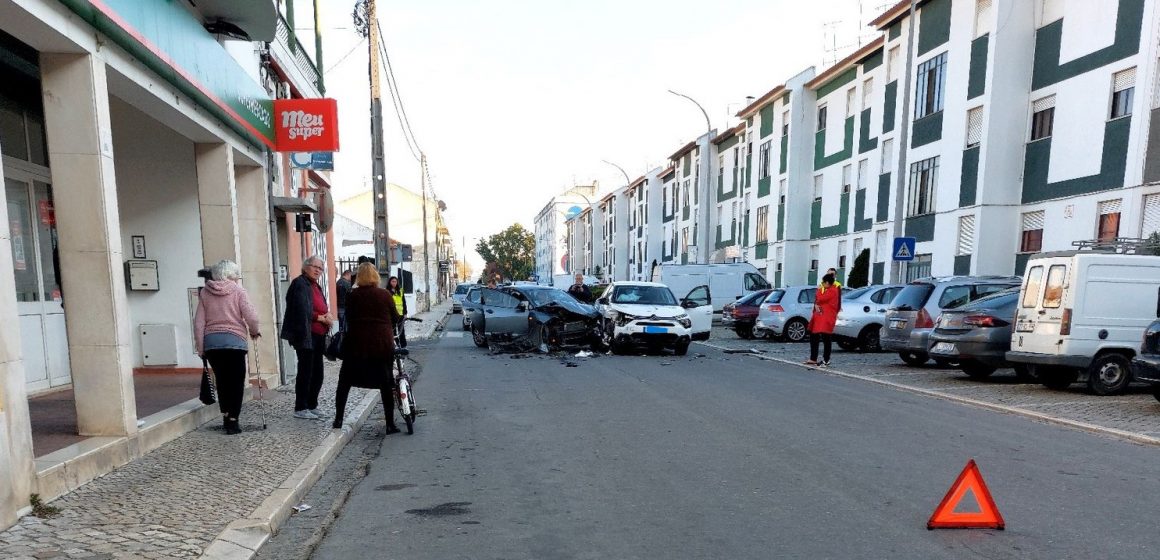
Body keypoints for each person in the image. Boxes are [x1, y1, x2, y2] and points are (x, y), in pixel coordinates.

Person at [332, 263, 403, 433]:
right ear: (376, 276)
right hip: (381, 345)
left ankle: (338, 419)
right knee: (386, 384)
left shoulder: (352, 296)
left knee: (344, 383)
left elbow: (348, 317)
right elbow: (395, 317)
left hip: (356, 345)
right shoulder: (384, 295)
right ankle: (390, 424)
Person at [194, 260, 261, 435]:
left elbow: (199, 323)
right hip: (234, 342)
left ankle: (225, 415)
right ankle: (233, 420)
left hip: (213, 343)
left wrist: (201, 348)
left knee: (223, 382)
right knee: (236, 382)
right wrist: (255, 331)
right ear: (230, 275)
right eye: (236, 276)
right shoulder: (238, 291)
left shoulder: (205, 294)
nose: (238, 279)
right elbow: (251, 316)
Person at [280, 256, 333, 419]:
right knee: (306, 372)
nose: (318, 270)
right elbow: (301, 309)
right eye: (314, 267)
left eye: (320, 268)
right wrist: (321, 318)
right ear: (305, 267)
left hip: (318, 335)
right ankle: (301, 407)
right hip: (305, 335)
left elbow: (318, 305)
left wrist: (328, 315)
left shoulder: (314, 285)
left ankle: (312, 404)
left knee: (318, 372)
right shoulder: (300, 284)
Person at [805, 273, 841, 367]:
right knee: (814, 336)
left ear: (827, 283)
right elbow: (818, 299)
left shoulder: (832, 290)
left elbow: (820, 298)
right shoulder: (828, 290)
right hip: (820, 318)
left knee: (826, 338)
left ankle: (826, 359)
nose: (822, 285)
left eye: (823, 283)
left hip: (826, 318)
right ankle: (813, 358)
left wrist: (820, 290)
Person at [387, 275, 408, 349]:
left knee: (401, 331)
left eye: (395, 281)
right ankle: (397, 345)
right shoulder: (387, 291)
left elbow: (404, 302)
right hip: (391, 315)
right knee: (393, 331)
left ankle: (403, 345)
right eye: (392, 281)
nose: (394, 283)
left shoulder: (400, 291)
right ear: (389, 282)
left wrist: (405, 313)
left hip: (400, 314)